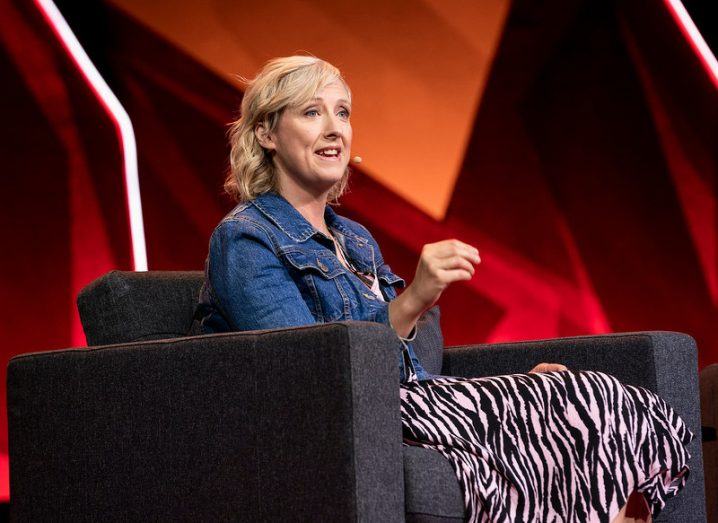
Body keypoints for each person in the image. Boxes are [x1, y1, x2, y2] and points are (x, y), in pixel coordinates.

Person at [196, 55, 692, 522]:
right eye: (311, 112)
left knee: (587, 397)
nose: (334, 129)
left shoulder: (354, 240)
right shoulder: (245, 239)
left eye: (342, 112)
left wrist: (514, 385)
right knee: (568, 404)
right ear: (266, 133)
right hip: (334, 422)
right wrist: (412, 300)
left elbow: (420, 366)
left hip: (413, 403)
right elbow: (314, 374)